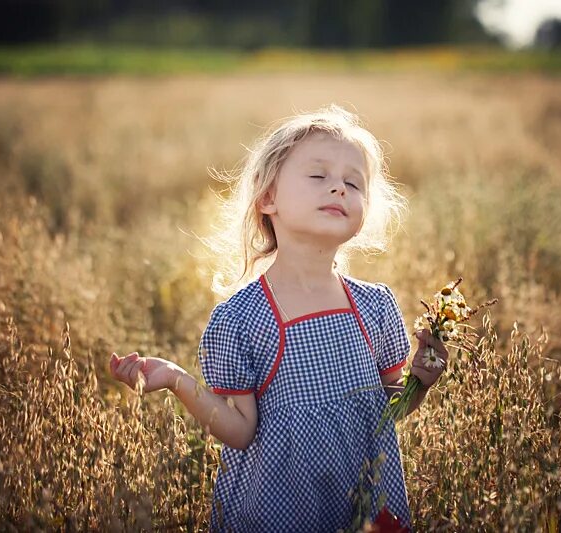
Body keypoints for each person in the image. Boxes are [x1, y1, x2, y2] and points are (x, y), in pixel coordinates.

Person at [109, 104, 449, 531]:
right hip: (280, 513)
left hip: (366, 509)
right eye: (317, 176)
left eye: (353, 182)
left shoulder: (375, 306)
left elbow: (385, 413)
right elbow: (239, 431)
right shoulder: (240, 317)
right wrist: (177, 379)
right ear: (268, 198)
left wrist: (421, 381)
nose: (338, 189)